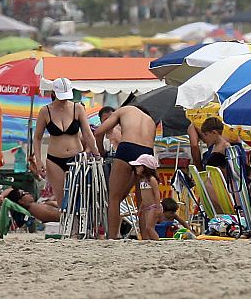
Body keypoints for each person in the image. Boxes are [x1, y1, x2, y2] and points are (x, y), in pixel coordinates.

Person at [92, 99, 158, 240]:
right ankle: (145, 238)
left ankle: (112, 237)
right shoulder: (151, 121)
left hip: (128, 146)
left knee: (114, 197)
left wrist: (101, 151)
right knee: (143, 201)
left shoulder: (124, 110)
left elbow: (98, 132)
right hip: (147, 152)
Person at [32, 78, 100, 205]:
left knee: (79, 197)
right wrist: (38, 160)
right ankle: (65, 223)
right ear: (54, 93)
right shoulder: (45, 111)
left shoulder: (78, 108)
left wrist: (96, 154)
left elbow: (88, 134)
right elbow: (37, 138)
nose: (63, 99)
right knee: (62, 201)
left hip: (77, 157)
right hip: (54, 159)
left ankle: (78, 224)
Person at [130, 154, 161, 240]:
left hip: (153, 207)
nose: (136, 168)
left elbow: (156, 193)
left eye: (138, 166)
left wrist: (158, 207)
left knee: (149, 228)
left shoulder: (152, 179)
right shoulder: (142, 180)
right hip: (147, 207)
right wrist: (140, 208)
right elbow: (145, 197)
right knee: (148, 228)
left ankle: (157, 242)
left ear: (144, 167)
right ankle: (153, 241)